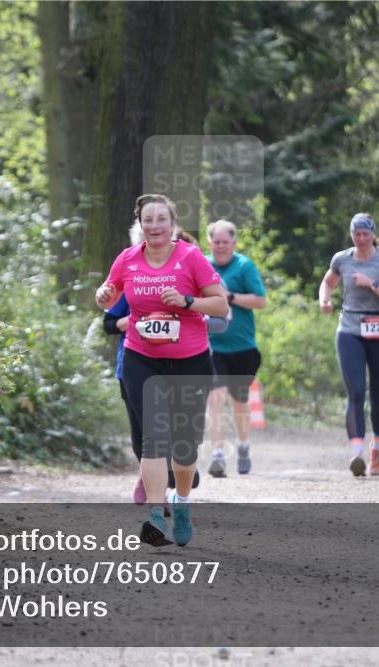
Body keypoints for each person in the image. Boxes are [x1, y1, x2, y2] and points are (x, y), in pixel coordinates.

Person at [96, 194, 229, 546]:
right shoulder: (127, 259)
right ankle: (155, 516)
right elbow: (111, 295)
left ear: (172, 224)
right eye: (148, 220)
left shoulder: (191, 257)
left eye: (161, 220)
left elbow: (220, 304)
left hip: (190, 361)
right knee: (153, 439)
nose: (154, 226)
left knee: (184, 448)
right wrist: (103, 294)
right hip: (142, 358)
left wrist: (187, 302)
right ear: (141, 224)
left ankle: (181, 503)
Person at [103, 223, 219, 503]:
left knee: (173, 429)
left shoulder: (189, 274)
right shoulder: (131, 277)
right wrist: (135, 321)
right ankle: (157, 486)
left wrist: (188, 306)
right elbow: (107, 322)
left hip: (183, 363)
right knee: (141, 434)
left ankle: (176, 473)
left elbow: (218, 310)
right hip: (134, 363)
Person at [318, 213, 379, 477]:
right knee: (355, 391)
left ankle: (376, 448)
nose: (361, 238)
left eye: (366, 234)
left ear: (373, 234)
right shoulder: (342, 259)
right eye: (357, 233)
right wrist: (324, 300)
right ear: (352, 234)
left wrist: (373, 284)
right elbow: (328, 282)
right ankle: (356, 454)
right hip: (350, 330)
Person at [204, 220, 267, 477]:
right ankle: (218, 454)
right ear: (209, 243)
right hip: (212, 346)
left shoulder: (244, 266)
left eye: (225, 242)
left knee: (239, 402)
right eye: (216, 242)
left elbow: (260, 300)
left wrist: (228, 297)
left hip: (242, 347)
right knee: (215, 397)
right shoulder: (203, 266)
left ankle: (243, 445)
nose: (220, 247)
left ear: (233, 243)